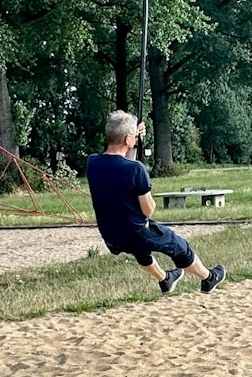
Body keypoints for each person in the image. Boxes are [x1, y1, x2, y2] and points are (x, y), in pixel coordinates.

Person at [86, 111, 225, 295]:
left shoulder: (92, 163)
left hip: (111, 236)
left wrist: (134, 139)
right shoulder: (137, 169)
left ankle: (165, 279)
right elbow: (148, 210)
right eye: (134, 137)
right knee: (179, 246)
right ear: (127, 139)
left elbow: (120, 165)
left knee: (140, 251)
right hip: (137, 232)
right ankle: (209, 278)